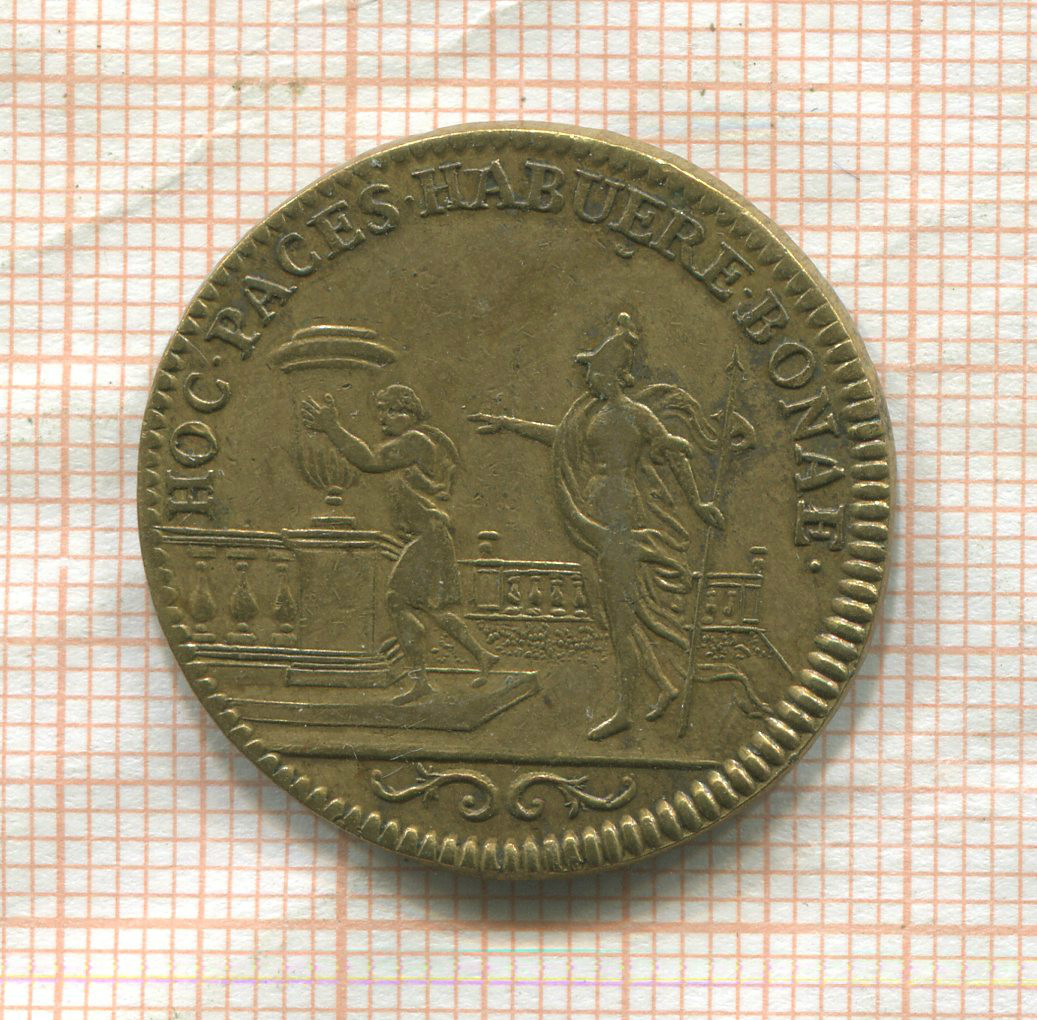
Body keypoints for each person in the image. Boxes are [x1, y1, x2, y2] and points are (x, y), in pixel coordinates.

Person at [469, 313, 747, 740]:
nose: (586, 380)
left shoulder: (637, 415)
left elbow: (674, 456)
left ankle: (624, 710)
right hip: (594, 511)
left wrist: (698, 503)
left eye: (591, 372)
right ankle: (665, 684)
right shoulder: (589, 414)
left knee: (620, 614)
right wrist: (510, 425)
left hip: (618, 511)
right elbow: (560, 438)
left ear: (609, 374)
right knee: (615, 612)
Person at [302, 384, 498, 704]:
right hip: (427, 534)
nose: (383, 417)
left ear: (410, 413)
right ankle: (481, 656)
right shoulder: (421, 442)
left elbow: (369, 460)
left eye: (391, 410)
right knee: (430, 607)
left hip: (429, 537)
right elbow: (430, 489)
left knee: (397, 600)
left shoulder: (414, 441)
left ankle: (422, 680)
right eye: (381, 410)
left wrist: (332, 427)